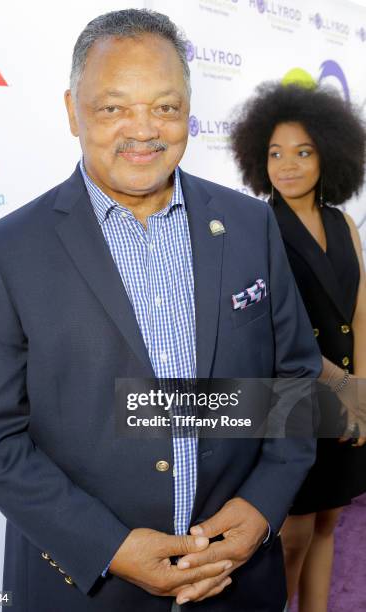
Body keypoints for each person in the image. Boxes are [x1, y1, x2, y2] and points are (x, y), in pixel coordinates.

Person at [0, 11, 321, 612]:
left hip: (236, 582)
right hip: (82, 590)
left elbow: (296, 381)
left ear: (189, 109)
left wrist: (260, 506)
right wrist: (109, 547)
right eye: (113, 108)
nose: (143, 131)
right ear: (73, 110)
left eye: (166, 108)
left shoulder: (252, 224)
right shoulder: (7, 250)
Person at [230, 81, 366, 612]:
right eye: (275, 153)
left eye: (303, 152)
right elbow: (272, 332)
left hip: (347, 397)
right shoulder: (256, 226)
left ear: (328, 156)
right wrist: (344, 395)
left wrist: (360, 391)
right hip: (295, 398)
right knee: (292, 537)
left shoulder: (344, 223)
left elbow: (358, 313)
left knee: (330, 522)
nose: (287, 165)